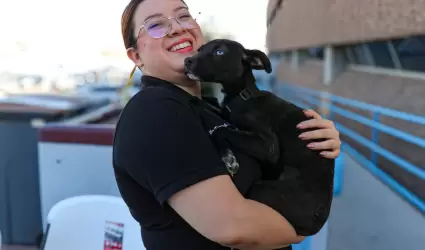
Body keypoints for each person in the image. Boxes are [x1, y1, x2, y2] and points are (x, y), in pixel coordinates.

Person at [113, 0, 342, 249]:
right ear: (136, 56)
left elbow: (271, 163)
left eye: (184, 16)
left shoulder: (211, 109)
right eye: (156, 25)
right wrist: (301, 228)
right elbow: (234, 227)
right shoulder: (155, 110)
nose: (178, 28)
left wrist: (313, 141)